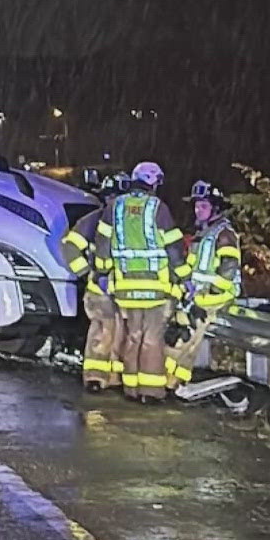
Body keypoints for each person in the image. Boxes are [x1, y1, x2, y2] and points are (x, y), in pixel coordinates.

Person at [93, 160, 188, 402]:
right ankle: (151, 391)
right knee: (152, 338)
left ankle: (131, 388)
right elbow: (174, 249)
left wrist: (103, 273)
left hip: (125, 287)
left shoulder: (114, 207)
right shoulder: (158, 208)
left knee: (133, 335)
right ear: (152, 181)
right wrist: (184, 276)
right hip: (155, 287)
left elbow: (103, 245)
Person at [166, 180, 241, 394]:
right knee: (183, 338)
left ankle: (167, 382)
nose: (198, 210)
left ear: (215, 208)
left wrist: (210, 296)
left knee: (181, 337)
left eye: (204, 206)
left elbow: (229, 267)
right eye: (197, 206)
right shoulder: (203, 233)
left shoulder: (224, 234)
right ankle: (175, 382)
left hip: (211, 298)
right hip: (197, 296)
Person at [62, 175, 123, 391]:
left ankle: (114, 377)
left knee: (120, 333)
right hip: (100, 290)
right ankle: (95, 378)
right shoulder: (93, 221)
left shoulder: (132, 224)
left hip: (125, 291)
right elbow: (70, 247)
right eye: (113, 197)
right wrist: (87, 273)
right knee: (102, 331)